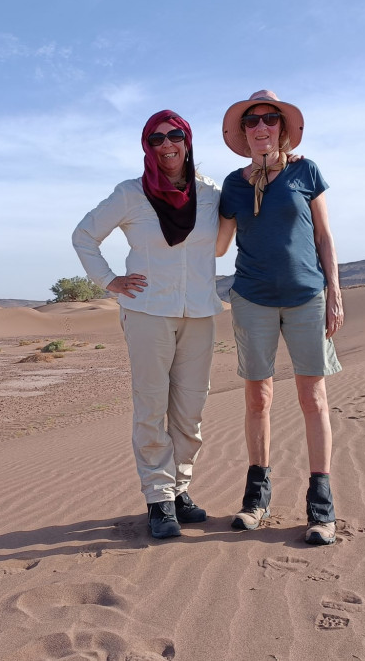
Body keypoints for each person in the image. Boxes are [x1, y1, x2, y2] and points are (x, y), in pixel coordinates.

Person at [72, 110, 223, 539]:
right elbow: (84, 235)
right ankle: (159, 498)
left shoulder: (212, 192)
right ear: (147, 147)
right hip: (147, 312)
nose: (166, 145)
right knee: (152, 406)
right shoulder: (130, 193)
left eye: (175, 136)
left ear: (188, 140)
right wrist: (109, 281)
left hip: (199, 312)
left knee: (191, 408)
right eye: (156, 140)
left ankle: (180, 488)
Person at [216, 90, 345, 546]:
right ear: (243, 132)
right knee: (258, 400)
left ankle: (321, 505)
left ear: (283, 128)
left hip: (307, 296)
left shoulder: (305, 171)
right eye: (252, 121)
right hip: (252, 299)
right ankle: (256, 499)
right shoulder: (233, 185)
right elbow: (218, 245)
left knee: (314, 399)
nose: (261, 127)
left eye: (270, 119)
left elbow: (325, 237)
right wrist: (190, 198)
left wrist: (335, 291)